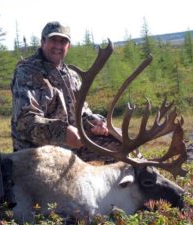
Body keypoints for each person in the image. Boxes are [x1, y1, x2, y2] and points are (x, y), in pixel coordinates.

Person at [11, 21, 120, 162]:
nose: (58, 46)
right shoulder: (26, 72)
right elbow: (25, 122)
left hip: (72, 146)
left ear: (68, 46)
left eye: (63, 41)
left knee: (120, 147)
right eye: (53, 40)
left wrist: (95, 123)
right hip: (37, 153)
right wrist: (63, 132)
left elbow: (82, 114)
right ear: (43, 41)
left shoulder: (72, 76)